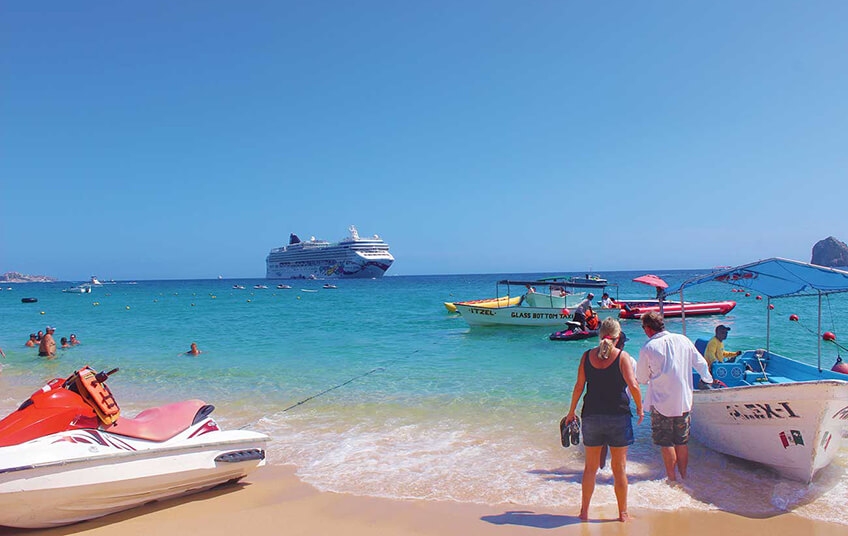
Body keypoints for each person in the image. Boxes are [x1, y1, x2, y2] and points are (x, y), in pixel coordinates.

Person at [564, 317, 643, 522]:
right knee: (619, 469)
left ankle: (584, 512)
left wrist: (571, 411)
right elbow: (634, 386)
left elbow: (579, 387)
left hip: (591, 415)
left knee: (590, 468)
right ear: (617, 337)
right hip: (618, 416)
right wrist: (641, 409)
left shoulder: (586, 356)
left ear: (600, 335)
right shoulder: (622, 357)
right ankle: (623, 514)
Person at [636, 311, 713, 482]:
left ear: (648, 329)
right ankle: (684, 476)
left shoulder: (648, 347)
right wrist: (708, 379)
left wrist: (649, 376)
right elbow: (700, 363)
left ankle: (672, 479)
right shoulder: (683, 340)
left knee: (666, 443)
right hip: (683, 401)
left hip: (661, 402)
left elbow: (641, 378)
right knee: (681, 441)